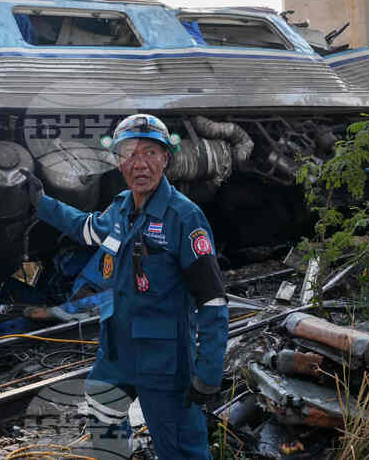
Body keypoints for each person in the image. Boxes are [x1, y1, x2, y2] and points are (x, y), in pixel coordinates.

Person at [21, 114, 228, 459]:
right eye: (129, 153)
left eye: (149, 152)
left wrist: (208, 372)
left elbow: (212, 299)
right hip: (116, 350)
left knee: (180, 449)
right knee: (103, 416)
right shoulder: (120, 208)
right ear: (118, 161)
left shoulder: (183, 217)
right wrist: (42, 203)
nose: (139, 163)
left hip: (163, 361)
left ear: (165, 159)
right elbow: (86, 228)